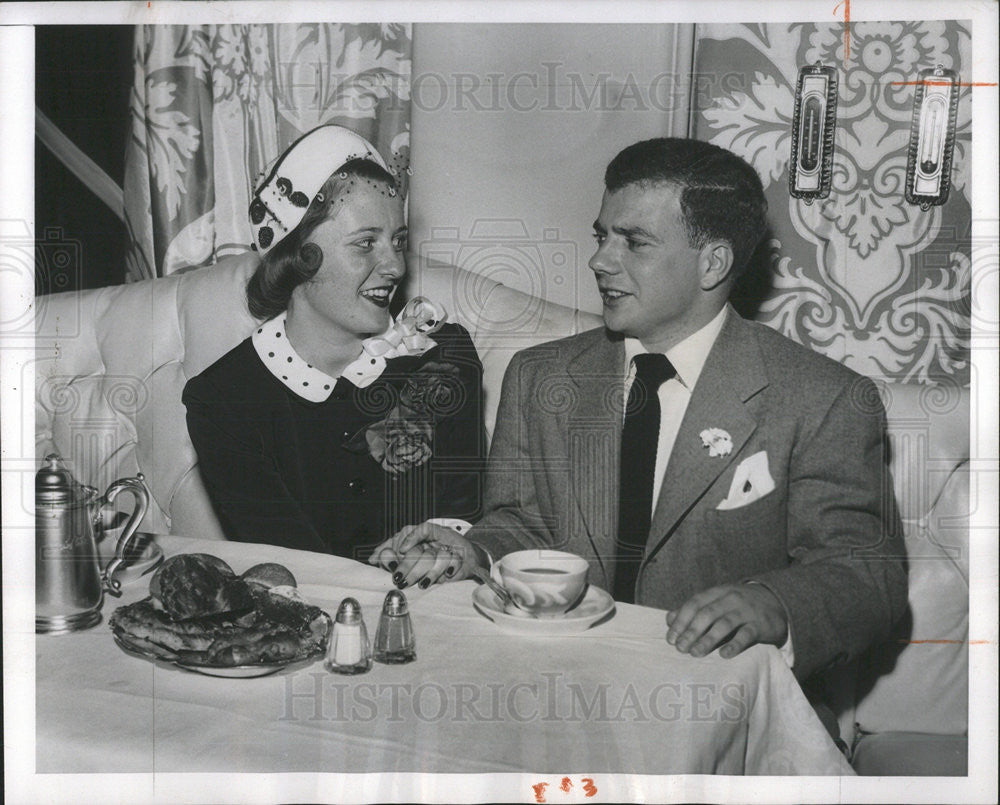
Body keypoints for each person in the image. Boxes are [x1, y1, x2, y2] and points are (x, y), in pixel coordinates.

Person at [372, 137, 907, 682]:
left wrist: (774, 603)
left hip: (718, 698)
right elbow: (522, 525)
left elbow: (865, 575)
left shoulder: (823, 398)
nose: (600, 260)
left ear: (713, 263)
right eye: (603, 236)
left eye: (636, 243)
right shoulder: (540, 377)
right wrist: (473, 552)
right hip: (556, 682)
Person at [183, 125, 484, 562]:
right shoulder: (223, 401)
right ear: (296, 256)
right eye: (366, 243)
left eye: (398, 242)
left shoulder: (445, 358)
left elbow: (459, 518)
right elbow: (288, 566)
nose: (395, 266)